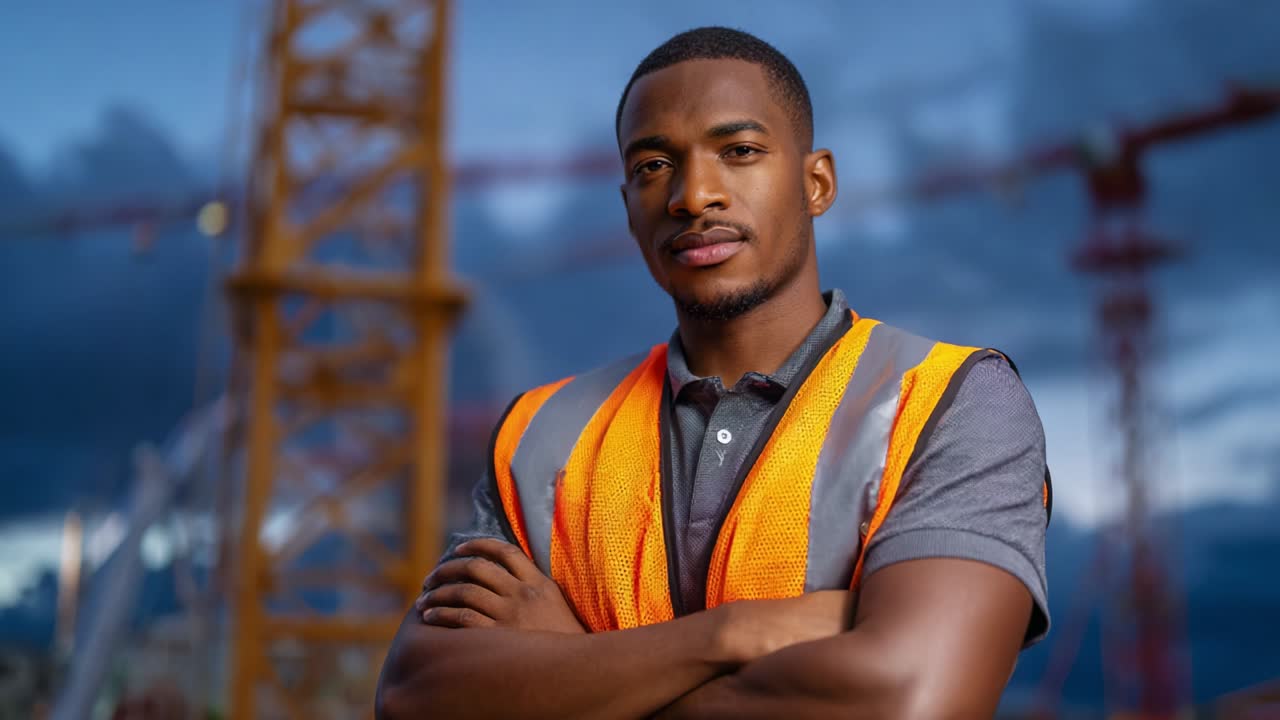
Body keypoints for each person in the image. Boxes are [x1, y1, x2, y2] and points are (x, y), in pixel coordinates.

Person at [377, 26, 1050, 719]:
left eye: (740, 152)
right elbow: (415, 697)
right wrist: (733, 634)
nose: (693, 196)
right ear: (629, 211)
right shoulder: (540, 433)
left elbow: (910, 700)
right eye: (653, 167)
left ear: (817, 183)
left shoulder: (950, 401)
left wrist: (570, 661)